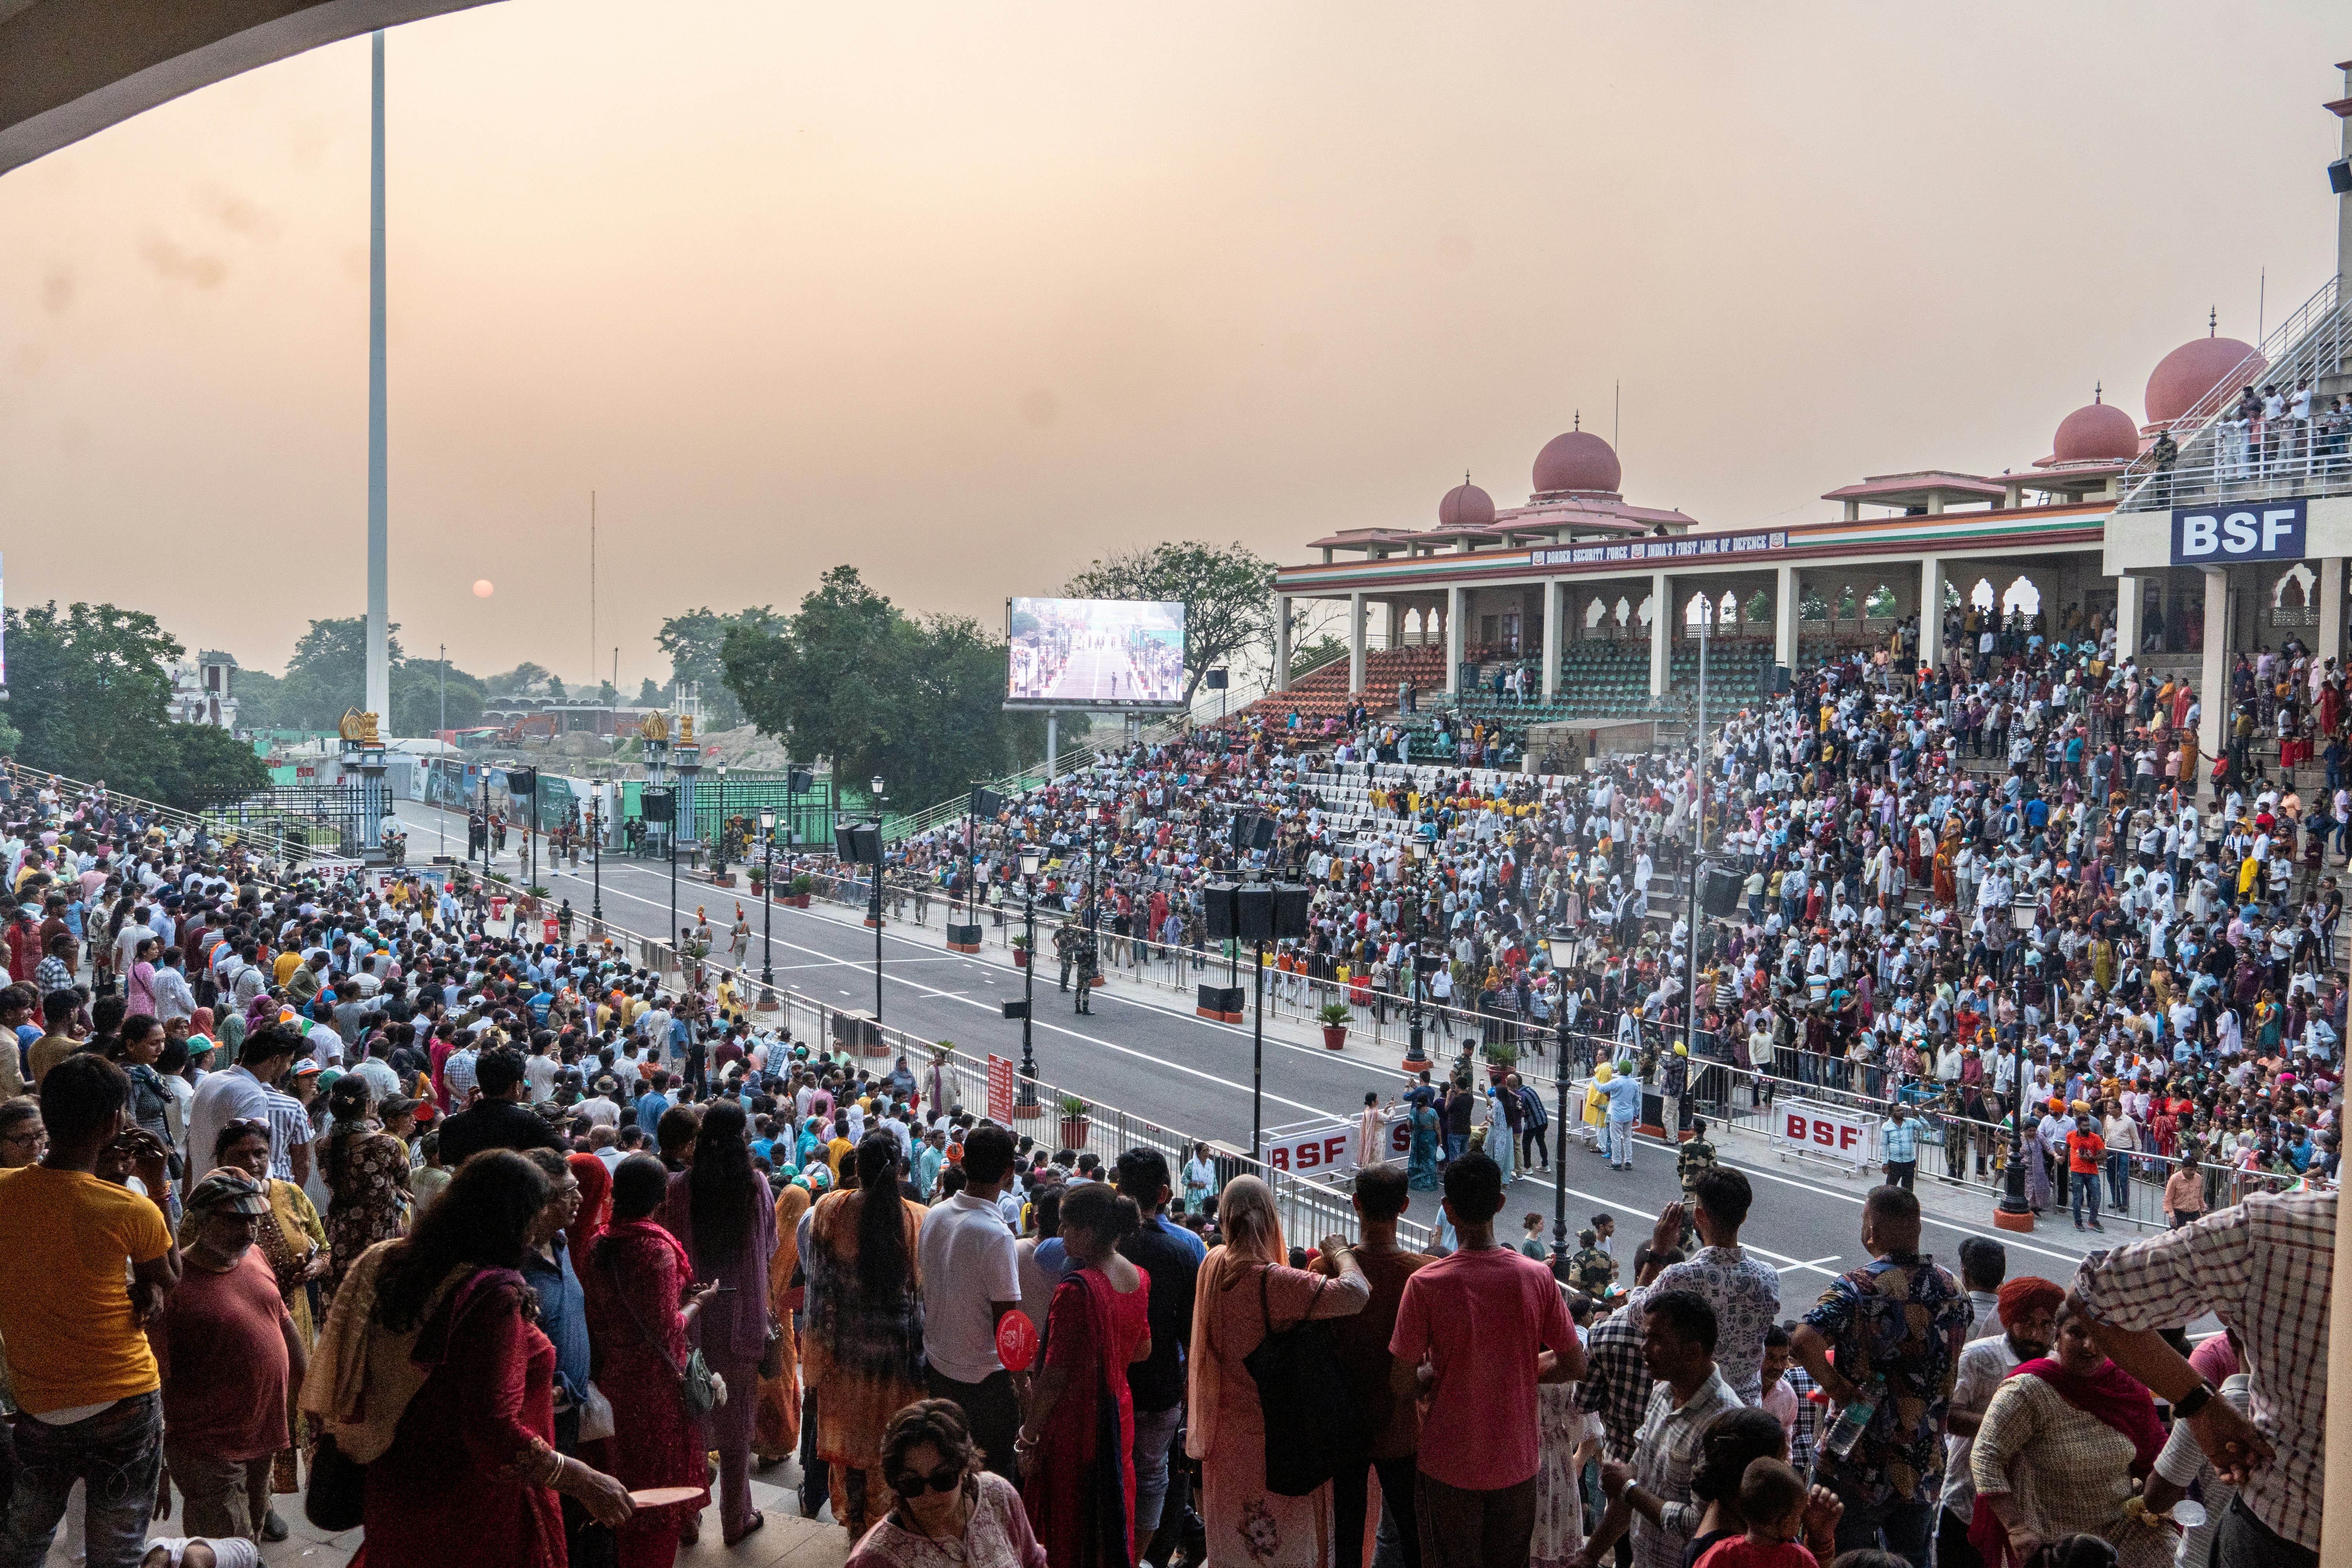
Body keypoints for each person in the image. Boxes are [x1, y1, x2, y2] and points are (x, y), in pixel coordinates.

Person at [304, 1149, 634, 1567]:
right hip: (466, 1495)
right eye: (536, 1210)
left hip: (399, 1476)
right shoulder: (492, 1294)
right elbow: (493, 1430)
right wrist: (581, 1479)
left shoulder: (394, 1260)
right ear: (513, 1217)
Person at [2068, 1187, 2330, 1566]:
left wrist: (2200, 1406)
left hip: (2276, 1532)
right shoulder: (2274, 1228)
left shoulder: (2278, 1227)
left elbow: (2092, 1293)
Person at [0, 1054, 180, 1568]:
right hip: (123, 1400)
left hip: (40, 1403)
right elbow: (167, 1279)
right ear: (115, 1122)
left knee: (22, 1543)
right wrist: (156, 1182)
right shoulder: (132, 1210)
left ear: (45, 1117)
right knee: (117, 1552)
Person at [1390, 1151, 1582, 1568]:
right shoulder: (1537, 1277)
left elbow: (1401, 1383)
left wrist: (1434, 1373)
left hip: (1446, 1463)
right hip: (1517, 1463)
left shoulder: (1424, 1284)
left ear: (1448, 1210)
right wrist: (1522, 1368)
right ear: (1500, 1202)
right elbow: (1573, 1363)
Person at [1186, 1175, 1370, 1568]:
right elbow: (1357, 1292)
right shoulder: (1272, 1281)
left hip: (1225, 1442)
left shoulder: (1213, 1264)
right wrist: (1341, 1253)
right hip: (1275, 1446)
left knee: (1235, 1546)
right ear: (1271, 1221)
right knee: (1279, 1549)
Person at [1789, 1187, 1968, 1567]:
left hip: (1856, 1458)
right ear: (1918, 1228)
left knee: (1837, 1556)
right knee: (1912, 1558)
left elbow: (1803, 1341)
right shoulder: (1954, 1289)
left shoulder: (1858, 1287)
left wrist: (1839, 1387)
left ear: (1872, 1228)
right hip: (1922, 1460)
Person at [152, 1168, 303, 1546]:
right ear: (202, 1221)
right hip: (207, 1446)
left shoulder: (255, 1256)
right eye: (236, 1220)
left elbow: (283, 1323)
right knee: (224, 1545)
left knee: (249, 1531)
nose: (249, 1231)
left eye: (254, 1219)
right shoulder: (172, 1285)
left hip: (262, 1430)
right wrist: (155, 1464)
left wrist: (310, 1390)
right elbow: (155, 1381)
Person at [582, 1153, 717, 1568]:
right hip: (658, 1389)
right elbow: (668, 1327)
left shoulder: (600, 1241)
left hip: (617, 1380)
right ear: (660, 1198)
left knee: (628, 1491)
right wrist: (697, 1302)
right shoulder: (654, 1248)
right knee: (660, 1498)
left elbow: (601, 1319)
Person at [1965, 1297, 2169, 1568]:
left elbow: (2157, 1455)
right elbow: (1985, 1456)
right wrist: (2016, 1528)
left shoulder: (2126, 1387)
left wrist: (2162, 1506)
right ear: (2056, 1336)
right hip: (2057, 1542)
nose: (2090, 1346)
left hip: (2122, 1533)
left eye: (2101, 1336)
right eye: (2077, 1333)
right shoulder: (2029, 1389)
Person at [657, 1095, 779, 1547]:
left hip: (692, 1320)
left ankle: (688, 1519)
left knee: (689, 1420)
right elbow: (769, 1245)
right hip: (742, 1320)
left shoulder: (679, 1187)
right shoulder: (757, 1185)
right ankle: (735, 1516)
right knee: (736, 1426)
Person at [1015, 1181, 1152, 1568]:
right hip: (1117, 1416)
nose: (1060, 1234)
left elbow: (1054, 1377)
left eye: (1066, 1225)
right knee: (1110, 1515)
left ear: (1088, 1233)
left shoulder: (1077, 1289)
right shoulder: (1139, 1278)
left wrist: (1028, 1435)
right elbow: (1143, 1348)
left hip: (1076, 1425)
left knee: (1069, 1523)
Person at [804, 1130, 929, 1537]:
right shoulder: (918, 1217)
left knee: (855, 1451)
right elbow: (921, 1298)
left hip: (846, 1357)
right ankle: (890, 1532)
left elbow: (820, 1290)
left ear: (856, 1167)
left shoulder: (830, 1209)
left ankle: (859, 1531)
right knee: (894, 1449)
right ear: (900, 1169)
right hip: (902, 1360)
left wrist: (815, 1362)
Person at [1319, 1162, 1431, 1568]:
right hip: (1401, 1425)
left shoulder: (1328, 1268)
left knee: (1346, 1534)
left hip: (1344, 1421)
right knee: (1413, 1532)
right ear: (1404, 1205)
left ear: (1355, 1205)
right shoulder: (1421, 1274)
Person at [1584, 1290, 1743, 1568]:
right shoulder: (1662, 1392)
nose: (1643, 1348)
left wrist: (1629, 1489)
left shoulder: (1724, 1423)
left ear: (1692, 1351)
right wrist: (1589, 1556)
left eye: (1655, 1339)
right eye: (1645, 1336)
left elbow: (1701, 1524)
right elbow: (1635, 1477)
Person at [916, 1123, 1025, 1480]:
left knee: (951, 1470)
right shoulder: (995, 1236)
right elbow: (1007, 1325)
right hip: (983, 1383)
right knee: (990, 1479)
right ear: (1009, 1174)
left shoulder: (935, 1215)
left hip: (938, 1365)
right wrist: (1023, 1386)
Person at [1112, 1146, 1202, 1566]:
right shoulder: (1185, 1250)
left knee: (1112, 1469)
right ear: (1164, 1193)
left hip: (1110, 1384)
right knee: (1154, 1477)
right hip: (1163, 1386)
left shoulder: (1101, 1246)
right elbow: (1192, 1333)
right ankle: (1142, 1557)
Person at [1936, 1277, 2059, 1568]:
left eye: (2046, 1325)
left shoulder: (2057, 1366)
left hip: (2033, 1511)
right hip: (1967, 1499)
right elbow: (1947, 1417)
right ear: (2009, 1320)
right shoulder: (1978, 1357)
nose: (2036, 1334)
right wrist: (2007, 1427)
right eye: (2027, 1323)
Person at [844, 1399, 1048, 1568]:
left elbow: (1035, 1562)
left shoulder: (999, 1495)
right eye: (912, 1484)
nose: (929, 1496)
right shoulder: (874, 1560)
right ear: (895, 1483)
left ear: (965, 1468)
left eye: (942, 1479)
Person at [1635, 1169, 1780, 1404]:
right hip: (1745, 1410)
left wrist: (1658, 1253)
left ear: (1700, 1215)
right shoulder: (1768, 1276)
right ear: (1743, 1217)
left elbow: (1636, 1316)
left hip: (1690, 1407)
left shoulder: (1680, 1276)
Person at [319, 1074, 412, 1304]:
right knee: (374, 1304)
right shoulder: (384, 1145)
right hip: (378, 1234)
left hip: (339, 1232)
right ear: (369, 1105)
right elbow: (404, 1179)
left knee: (341, 1302)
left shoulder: (324, 1146)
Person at [436, 1045, 564, 1164]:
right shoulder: (532, 1123)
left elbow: (448, 1165)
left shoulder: (451, 1125)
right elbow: (570, 1156)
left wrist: (461, 1114)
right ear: (516, 1086)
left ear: (480, 1083)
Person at [1691, 1458, 1819, 1568]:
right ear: (1785, 1523)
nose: (1801, 1520)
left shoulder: (1721, 1554)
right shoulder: (1800, 1560)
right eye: (1799, 1515)